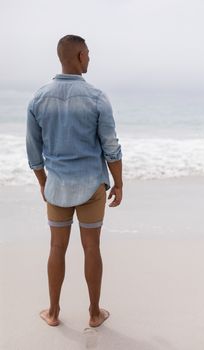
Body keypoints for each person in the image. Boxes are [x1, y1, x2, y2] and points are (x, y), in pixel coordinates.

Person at [26, 34, 123, 328]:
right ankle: (94, 313)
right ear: (80, 55)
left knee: (57, 247)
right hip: (92, 185)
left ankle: (53, 312)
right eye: (89, 53)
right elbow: (111, 146)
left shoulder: (38, 98)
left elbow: (33, 151)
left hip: (57, 185)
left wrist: (44, 181)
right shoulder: (96, 97)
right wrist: (118, 183)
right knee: (91, 247)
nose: (90, 58)